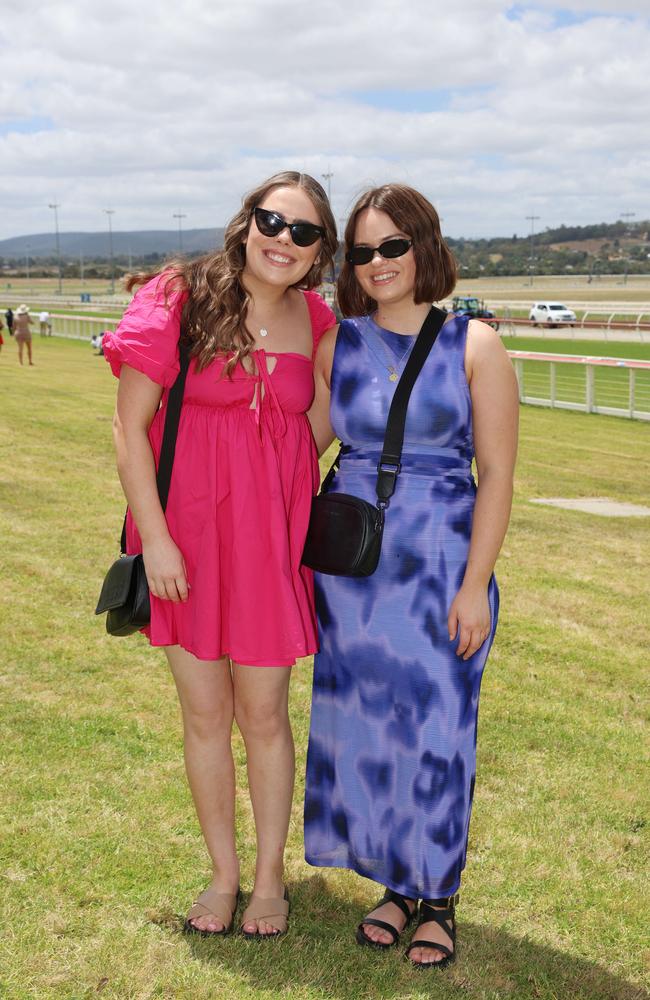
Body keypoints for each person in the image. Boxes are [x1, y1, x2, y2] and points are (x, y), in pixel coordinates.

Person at [102, 172, 337, 939]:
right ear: (248, 222)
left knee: (264, 713)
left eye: (304, 232)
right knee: (205, 713)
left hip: (267, 545)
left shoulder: (320, 321)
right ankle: (223, 875)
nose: (284, 240)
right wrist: (158, 537)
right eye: (274, 220)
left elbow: (319, 430)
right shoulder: (181, 295)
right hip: (186, 542)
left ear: (319, 251)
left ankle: (270, 878)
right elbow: (129, 428)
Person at [304, 184, 518, 968]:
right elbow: (300, 452)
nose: (377, 262)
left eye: (392, 245)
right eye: (362, 251)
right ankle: (392, 886)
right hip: (353, 574)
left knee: (436, 729)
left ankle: (438, 899)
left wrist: (474, 584)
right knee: (364, 725)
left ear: (423, 246)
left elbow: (495, 473)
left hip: (439, 569)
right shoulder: (340, 346)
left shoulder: (476, 346)